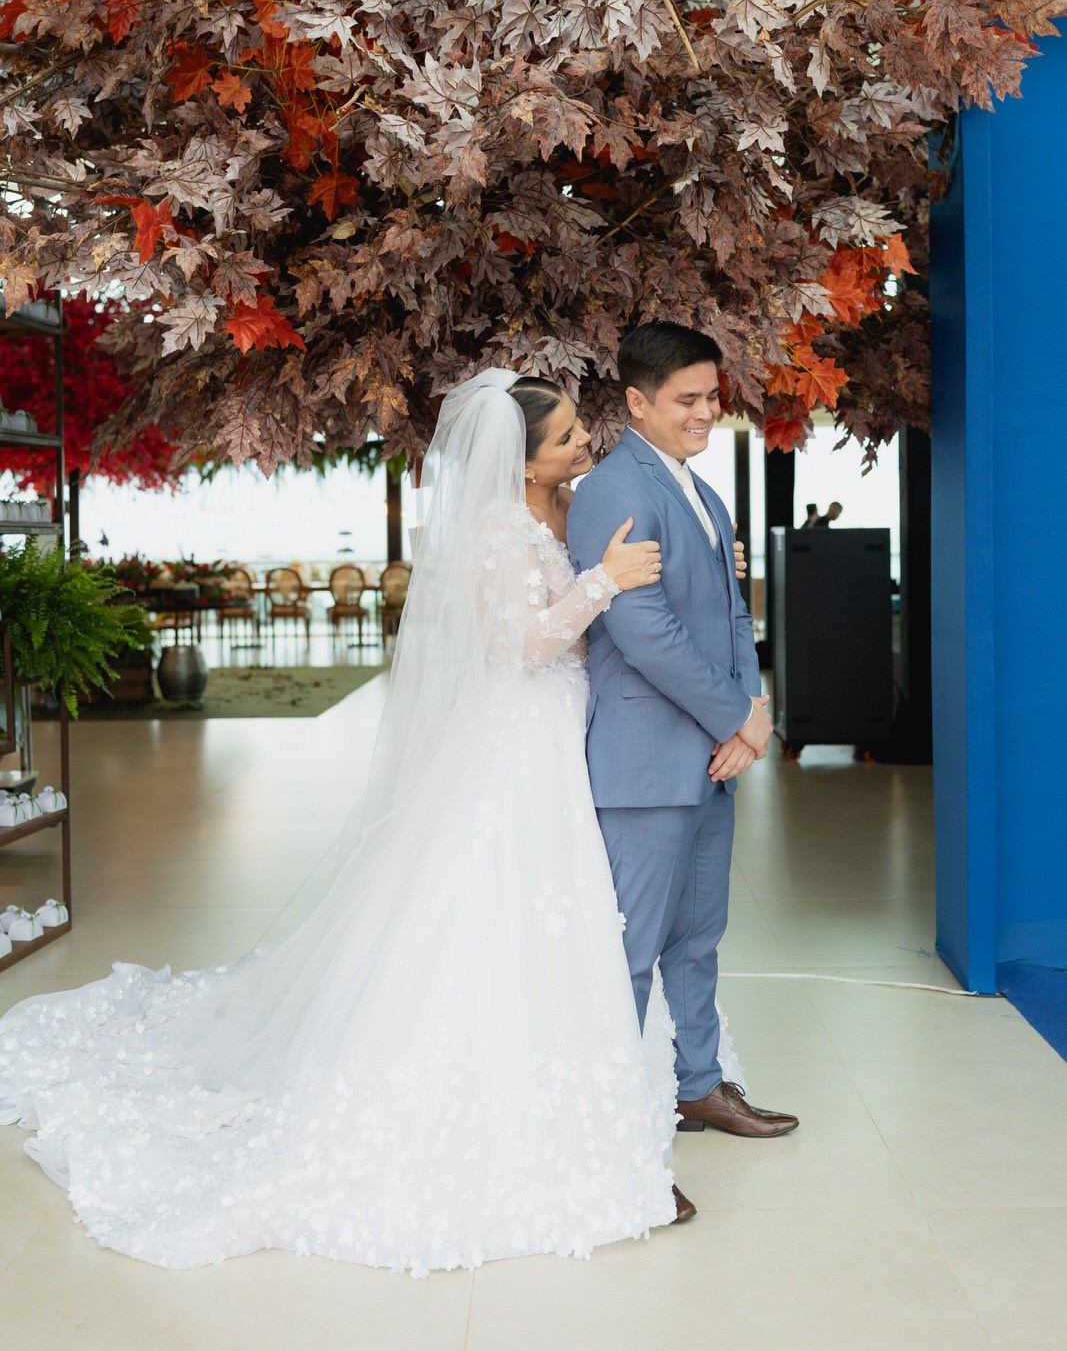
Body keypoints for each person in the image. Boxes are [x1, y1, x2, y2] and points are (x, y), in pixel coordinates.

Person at [0, 370, 745, 1273]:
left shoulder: (566, 510)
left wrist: (642, 578)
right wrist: (600, 585)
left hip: (563, 733)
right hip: (515, 739)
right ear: (520, 462)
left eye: (580, 432)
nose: (581, 446)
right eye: (564, 439)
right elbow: (522, 643)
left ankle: (587, 1077)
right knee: (493, 900)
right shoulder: (489, 533)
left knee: (564, 911)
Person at [568, 323, 799, 1139]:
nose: (706, 414)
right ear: (636, 401)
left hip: (709, 760)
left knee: (698, 939)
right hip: (642, 764)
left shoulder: (701, 491)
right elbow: (643, 631)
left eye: (712, 396)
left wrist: (752, 713)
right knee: (628, 957)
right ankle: (610, 1132)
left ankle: (696, 1086)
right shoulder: (610, 488)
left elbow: (733, 616)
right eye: (687, 400)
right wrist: (737, 716)